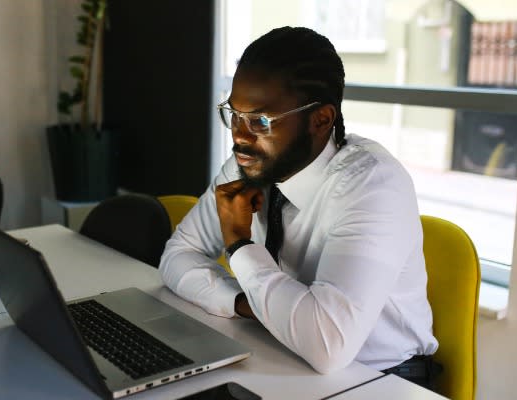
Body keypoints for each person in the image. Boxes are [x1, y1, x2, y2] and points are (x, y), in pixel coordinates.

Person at [159, 26, 438, 384]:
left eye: (260, 121)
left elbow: (327, 347)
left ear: (321, 119)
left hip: (381, 380)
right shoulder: (250, 161)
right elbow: (177, 256)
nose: (240, 136)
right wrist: (248, 304)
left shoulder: (374, 186)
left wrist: (239, 245)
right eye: (234, 115)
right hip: (282, 352)